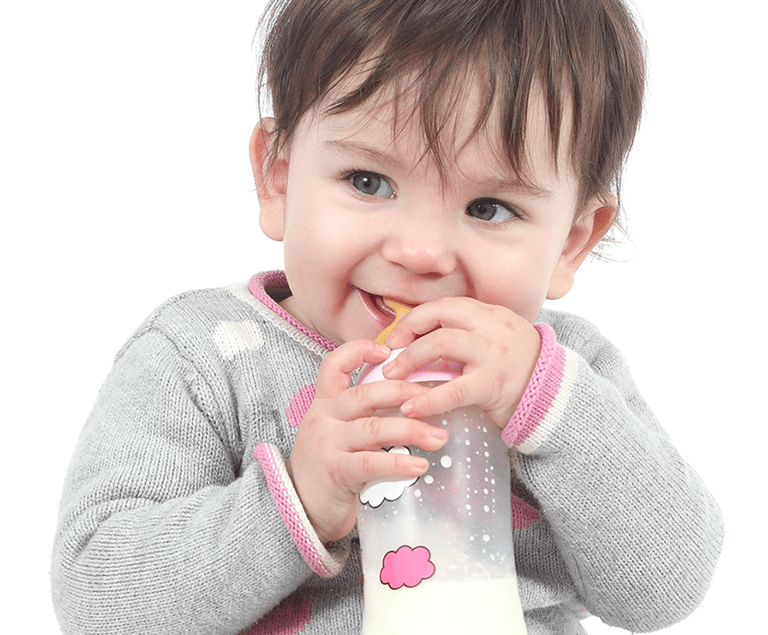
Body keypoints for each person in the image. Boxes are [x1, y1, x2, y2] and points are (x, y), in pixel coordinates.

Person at [51, 0, 724, 633]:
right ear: (279, 176)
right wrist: (299, 500)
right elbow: (96, 596)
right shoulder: (204, 356)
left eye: (489, 207)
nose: (420, 253)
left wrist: (548, 406)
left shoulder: (564, 375)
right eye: (369, 182)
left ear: (573, 240)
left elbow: (667, 587)